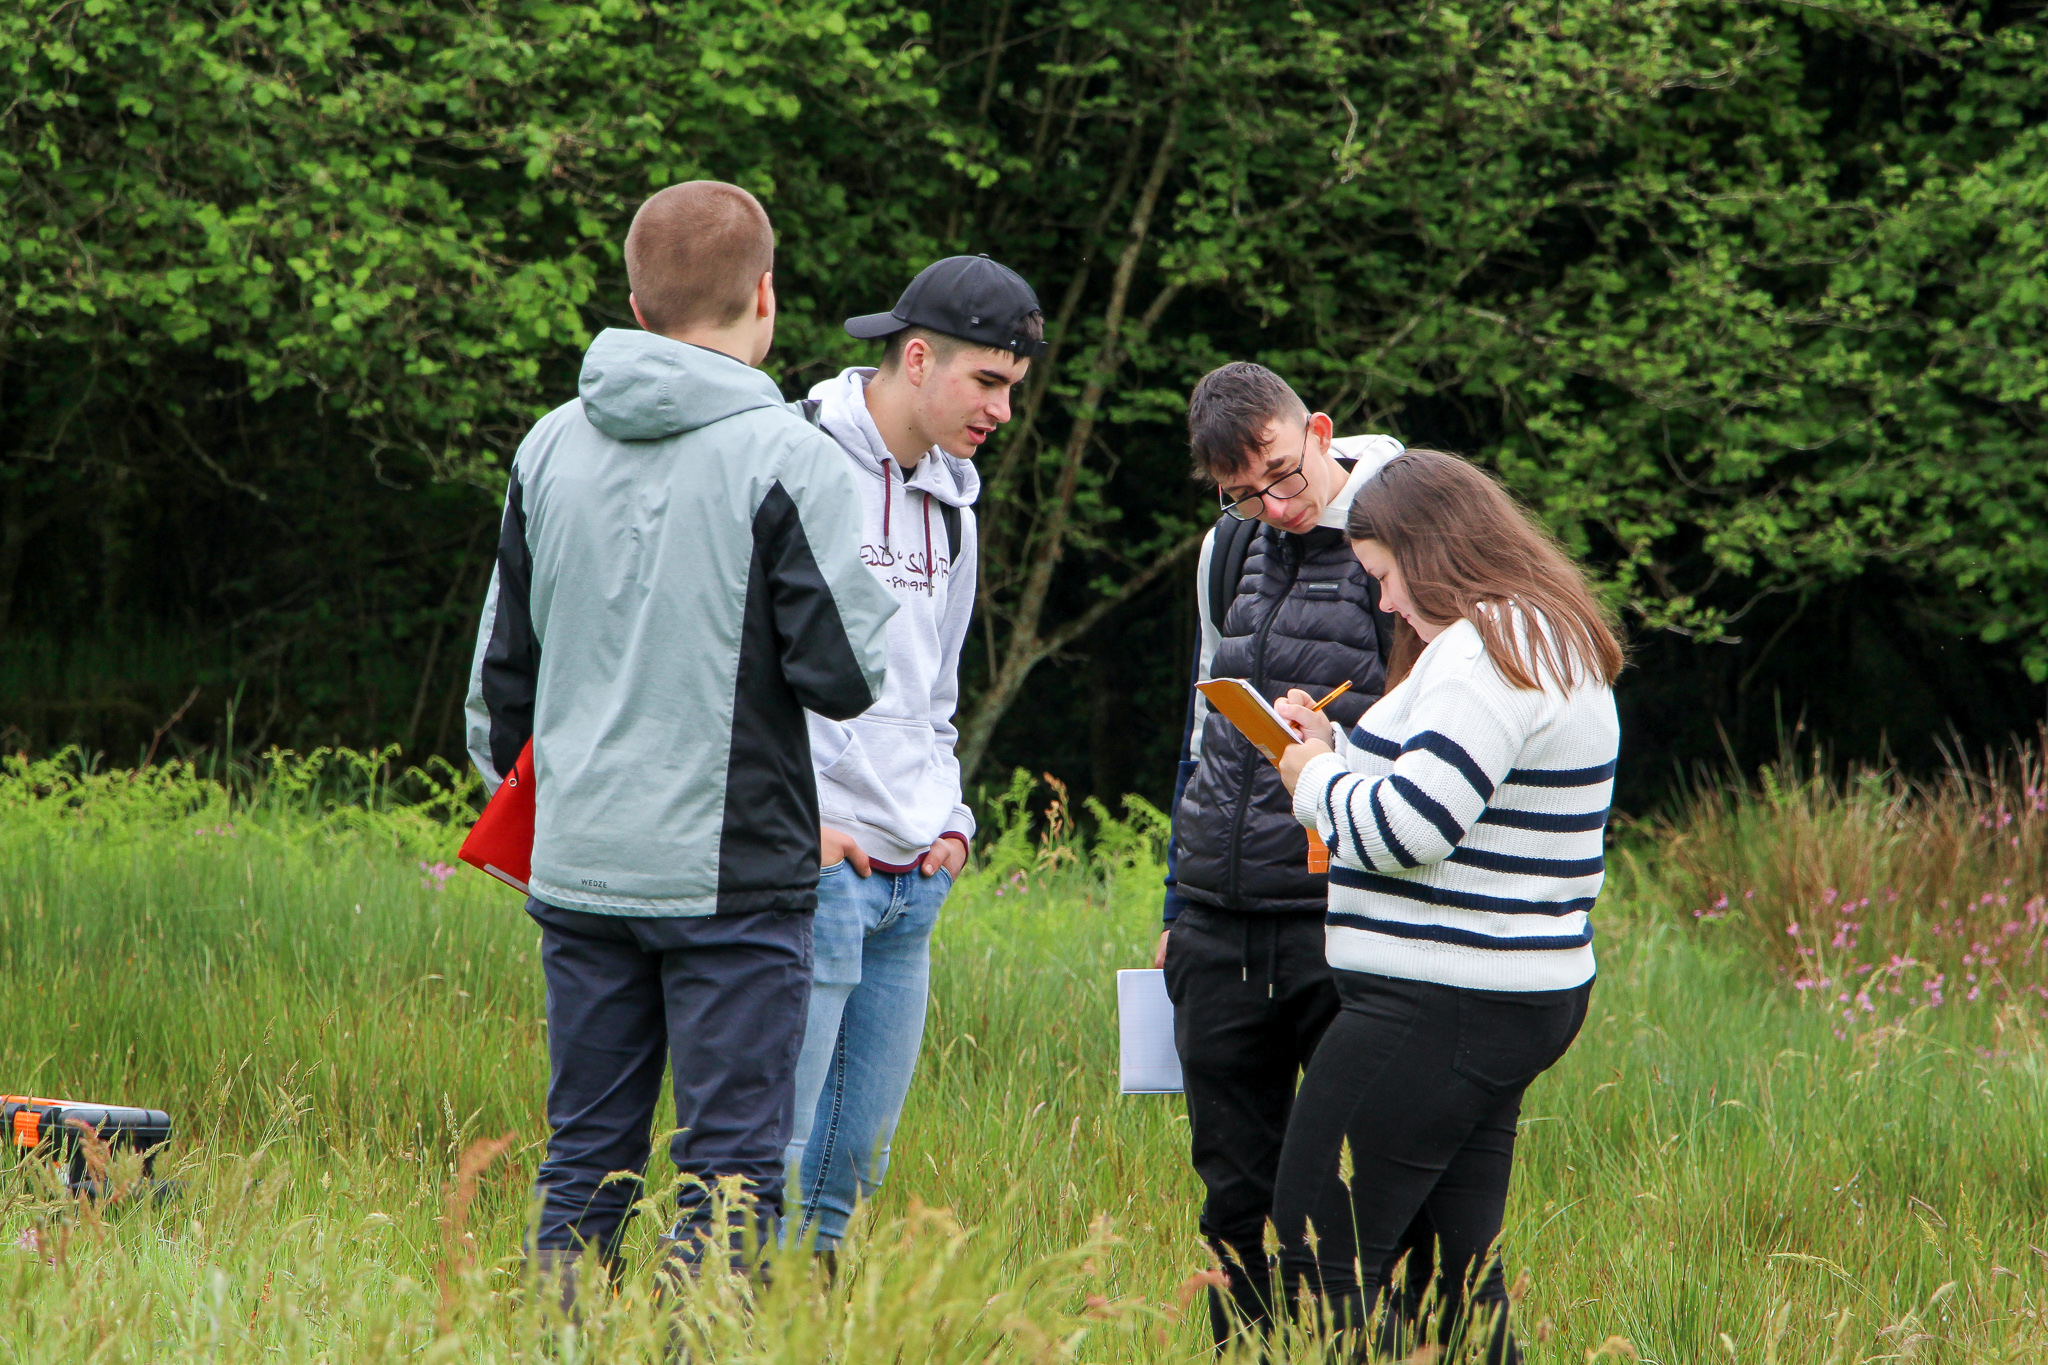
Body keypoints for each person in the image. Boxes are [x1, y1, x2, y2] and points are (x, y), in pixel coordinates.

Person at [462, 181, 897, 1306]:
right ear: (764, 296)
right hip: (733, 879)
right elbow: (844, 678)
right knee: (731, 1176)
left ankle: (561, 1339)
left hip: (580, 865)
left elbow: (496, 692)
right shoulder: (788, 456)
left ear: (634, 303)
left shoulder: (546, 445)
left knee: (583, 1162)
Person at [1267, 448, 1623, 1362]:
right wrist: (1339, 744)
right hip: (1502, 996)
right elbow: (1461, 778)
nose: (1382, 603)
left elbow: (1410, 827)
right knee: (1454, 1287)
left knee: (1318, 1255)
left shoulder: (1486, 650)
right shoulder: (1541, 633)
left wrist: (1312, 779)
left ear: (1431, 553)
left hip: (1436, 1002)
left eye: (1384, 576)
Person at [786, 256, 1045, 1261]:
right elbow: (730, 671)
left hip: (910, 881)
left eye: (1012, 390)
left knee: (849, 1172)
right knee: (763, 1154)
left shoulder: (954, 499)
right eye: (986, 383)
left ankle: (805, 1333)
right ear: (918, 355)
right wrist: (793, 820)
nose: (1000, 412)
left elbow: (934, 690)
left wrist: (951, 819)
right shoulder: (792, 455)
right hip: (811, 864)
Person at [1155, 361, 1405, 1346]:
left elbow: (1455, 733)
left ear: (1317, 430)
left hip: (1341, 914)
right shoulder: (1227, 551)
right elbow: (1200, 732)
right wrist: (1177, 906)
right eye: (1241, 493)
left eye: (1278, 474)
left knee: (1358, 1191)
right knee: (1231, 1200)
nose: (1271, 504)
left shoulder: (1411, 536)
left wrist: (1341, 745)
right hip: (1219, 919)